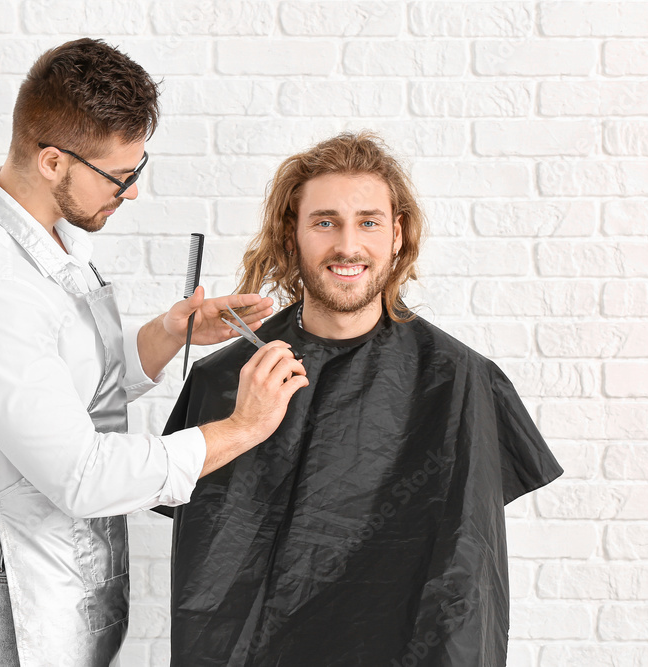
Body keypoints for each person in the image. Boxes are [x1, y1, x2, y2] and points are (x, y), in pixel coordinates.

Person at [0, 39, 307, 667]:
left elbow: (65, 384)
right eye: (122, 176)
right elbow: (82, 475)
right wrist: (242, 428)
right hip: (18, 595)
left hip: (63, 570)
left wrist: (169, 334)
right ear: (54, 161)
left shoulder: (46, 239)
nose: (133, 192)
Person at [160, 132, 563, 666]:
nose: (348, 246)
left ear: (396, 235)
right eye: (325, 222)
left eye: (368, 222)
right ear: (292, 236)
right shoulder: (224, 380)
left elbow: (467, 578)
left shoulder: (462, 382)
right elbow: (211, 577)